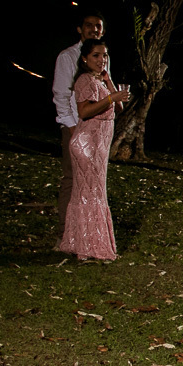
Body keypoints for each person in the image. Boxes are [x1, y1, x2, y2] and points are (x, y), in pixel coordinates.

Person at [58, 38, 130, 260]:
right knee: (90, 193)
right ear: (85, 59)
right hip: (86, 145)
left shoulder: (100, 80)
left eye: (105, 55)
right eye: (96, 55)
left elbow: (119, 107)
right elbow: (84, 112)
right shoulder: (83, 80)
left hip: (99, 146)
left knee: (92, 193)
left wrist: (110, 84)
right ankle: (88, 244)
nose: (102, 60)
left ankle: (80, 241)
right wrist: (111, 97)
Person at [52, 10, 107, 244]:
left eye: (98, 26)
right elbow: (61, 95)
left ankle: (86, 232)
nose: (94, 29)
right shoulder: (68, 57)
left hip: (97, 131)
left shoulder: (104, 56)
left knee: (92, 181)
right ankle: (65, 232)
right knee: (72, 178)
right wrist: (72, 127)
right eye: (89, 25)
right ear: (79, 29)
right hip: (76, 126)